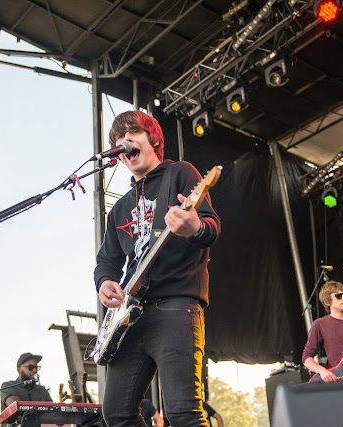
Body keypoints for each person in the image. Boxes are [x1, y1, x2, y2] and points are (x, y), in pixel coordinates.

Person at [94, 110, 221, 426]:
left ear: (152, 139)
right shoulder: (119, 209)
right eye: (118, 139)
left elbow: (211, 226)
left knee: (183, 413)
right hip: (129, 317)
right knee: (117, 414)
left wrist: (194, 227)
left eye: (132, 133)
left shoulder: (180, 174)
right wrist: (105, 281)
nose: (124, 142)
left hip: (175, 306)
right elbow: (107, 261)